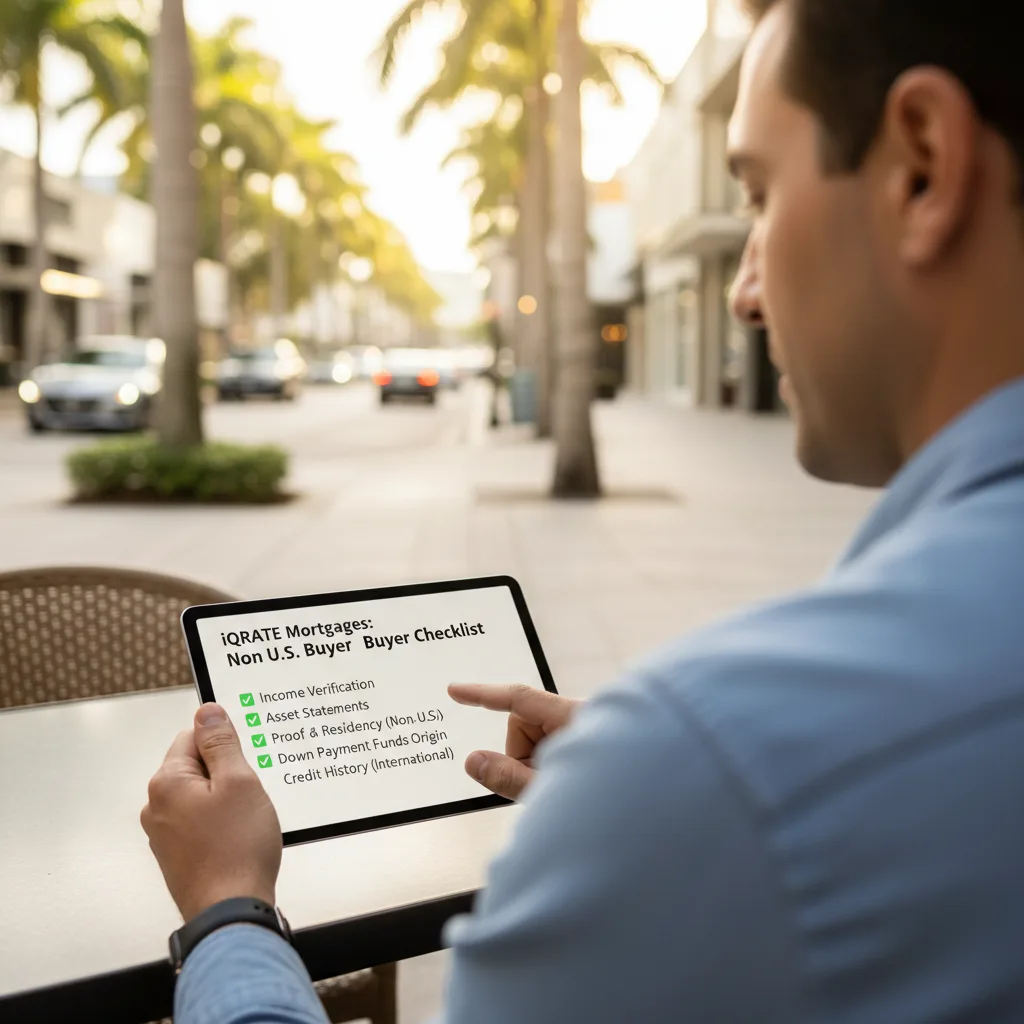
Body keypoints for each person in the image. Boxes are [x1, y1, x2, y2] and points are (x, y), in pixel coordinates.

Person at [143, 0, 1024, 1019]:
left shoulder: (725, 764)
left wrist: (225, 911)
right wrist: (656, 789)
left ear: (921, 164)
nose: (745, 290)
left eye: (759, 194)